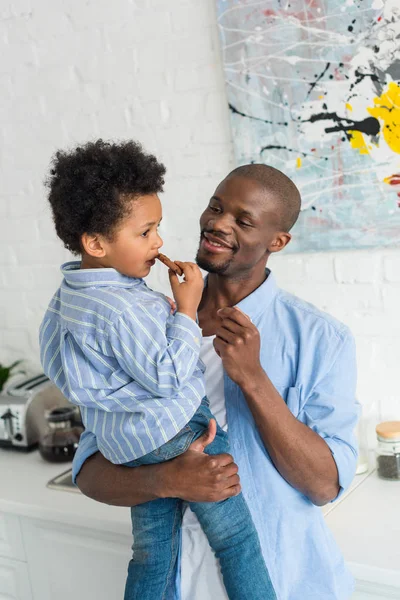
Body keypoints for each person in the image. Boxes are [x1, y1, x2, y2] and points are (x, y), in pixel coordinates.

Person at [73, 160, 360, 600]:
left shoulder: (322, 339)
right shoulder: (144, 322)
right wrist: (166, 480)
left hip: (282, 582)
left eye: (243, 221)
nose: (218, 224)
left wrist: (253, 379)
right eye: (215, 207)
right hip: (172, 584)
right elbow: (90, 471)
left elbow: (324, 486)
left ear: (277, 241)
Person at [39, 139, 277, 600]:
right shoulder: (125, 308)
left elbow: (58, 361)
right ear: (97, 242)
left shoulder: (69, 296)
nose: (159, 242)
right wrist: (184, 312)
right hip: (181, 431)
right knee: (237, 541)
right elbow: (167, 378)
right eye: (145, 232)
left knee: (151, 553)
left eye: (158, 228)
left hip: (128, 448)